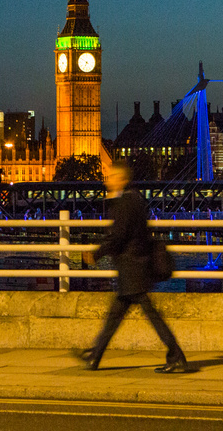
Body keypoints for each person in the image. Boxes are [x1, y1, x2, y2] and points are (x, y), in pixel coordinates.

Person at [77, 158, 189, 373]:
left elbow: (117, 235)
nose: (106, 181)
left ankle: (176, 357)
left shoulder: (124, 203)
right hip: (136, 265)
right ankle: (95, 356)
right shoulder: (136, 199)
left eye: (110, 177)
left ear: (121, 179)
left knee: (149, 317)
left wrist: (96, 254)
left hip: (132, 268)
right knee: (115, 318)